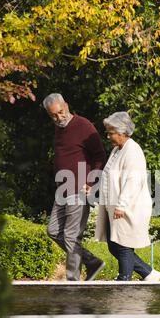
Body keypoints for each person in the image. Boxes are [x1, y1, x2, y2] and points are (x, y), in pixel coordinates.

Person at [44, 93, 107, 281]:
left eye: (60, 112)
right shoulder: (58, 129)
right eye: (53, 115)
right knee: (53, 231)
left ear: (67, 105)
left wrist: (92, 182)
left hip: (79, 188)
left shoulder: (83, 126)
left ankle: (72, 282)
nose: (58, 118)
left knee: (71, 236)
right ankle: (92, 261)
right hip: (63, 189)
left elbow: (100, 156)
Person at [94, 111, 160, 282]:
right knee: (114, 245)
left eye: (111, 132)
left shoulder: (133, 151)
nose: (108, 136)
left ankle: (124, 280)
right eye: (108, 132)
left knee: (123, 246)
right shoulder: (118, 150)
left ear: (123, 132)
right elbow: (110, 175)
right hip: (114, 206)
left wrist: (122, 205)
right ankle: (148, 273)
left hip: (128, 207)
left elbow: (134, 180)